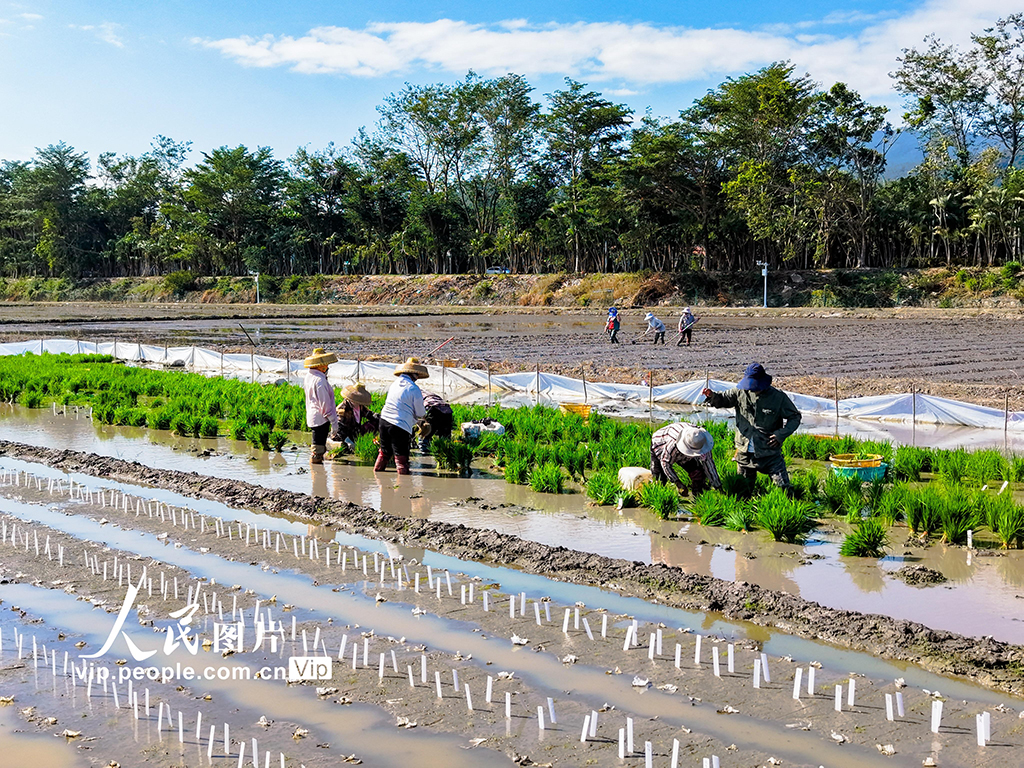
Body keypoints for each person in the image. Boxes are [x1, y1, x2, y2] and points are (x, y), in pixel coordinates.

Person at [702, 363, 801, 490]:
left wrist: (780, 434)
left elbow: (795, 417)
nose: (752, 389)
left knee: (783, 489)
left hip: (769, 452)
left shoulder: (778, 397)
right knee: (743, 491)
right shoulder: (740, 392)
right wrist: (712, 396)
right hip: (744, 452)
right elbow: (723, 399)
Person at [375, 357, 428, 475]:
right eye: (417, 375)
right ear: (414, 374)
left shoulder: (394, 384)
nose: (418, 378)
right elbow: (420, 413)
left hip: (384, 421)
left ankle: (378, 476)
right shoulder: (413, 388)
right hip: (400, 425)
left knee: (384, 452)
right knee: (401, 458)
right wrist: (423, 419)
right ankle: (403, 487)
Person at [649, 422, 721, 495]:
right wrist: (677, 482)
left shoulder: (701, 441)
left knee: (698, 473)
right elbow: (665, 463)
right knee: (659, 479)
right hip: (660, 443)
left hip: (683, 449)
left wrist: (718, 486)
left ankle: (698, 495)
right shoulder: (673, 444)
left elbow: (709, 465)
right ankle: (657, 496)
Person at [302, 347, 340, 465]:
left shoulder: (309, 376)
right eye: (326, 364)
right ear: (321, 365)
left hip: (313, 416)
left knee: (318, 446)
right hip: (320, 419)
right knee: (318, 449)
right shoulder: (319, 381)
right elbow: (325, 405)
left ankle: (317, 475)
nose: (327, 367)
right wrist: (334, 422)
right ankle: (317, 476)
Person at [335, 382, 379, 451]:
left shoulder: (360, 407)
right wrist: (348, 442)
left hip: (355, 432)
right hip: (345, 436)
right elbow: (339, 430)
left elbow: (370, 415)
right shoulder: (343, 409)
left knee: (376, 422)